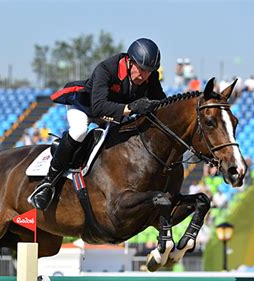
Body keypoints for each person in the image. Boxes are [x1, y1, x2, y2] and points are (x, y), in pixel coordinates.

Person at [28, 38, 167, 210]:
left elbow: (161, 102)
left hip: (115, 114)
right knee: (79, 131)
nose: (145, 76)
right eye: (142, 70)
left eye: (149, 71)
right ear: (129, 61)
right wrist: (131, 107)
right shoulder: (107, 68)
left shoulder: (149, 76)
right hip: (85, 107)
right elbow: (99, 106)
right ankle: (47, 183)